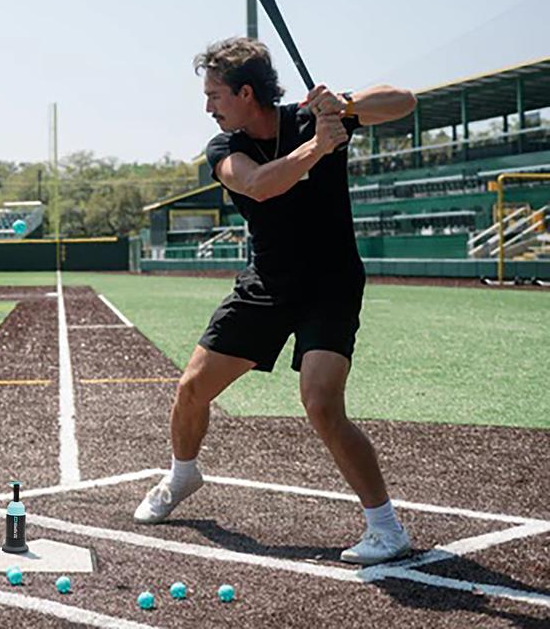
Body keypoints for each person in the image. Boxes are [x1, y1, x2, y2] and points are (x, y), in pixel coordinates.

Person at [134, 37, 417, 565]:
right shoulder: (225, 148)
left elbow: (403, 100)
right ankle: (182, 474)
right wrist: (318, 147)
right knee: (192, 389)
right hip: (267, 285)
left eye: (214, 95)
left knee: (322, 403)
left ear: (245, 93)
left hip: (330, 283)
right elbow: (262, 185)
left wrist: (346, 109)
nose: (207, 106)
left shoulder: (314, 117)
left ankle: (386, 527)